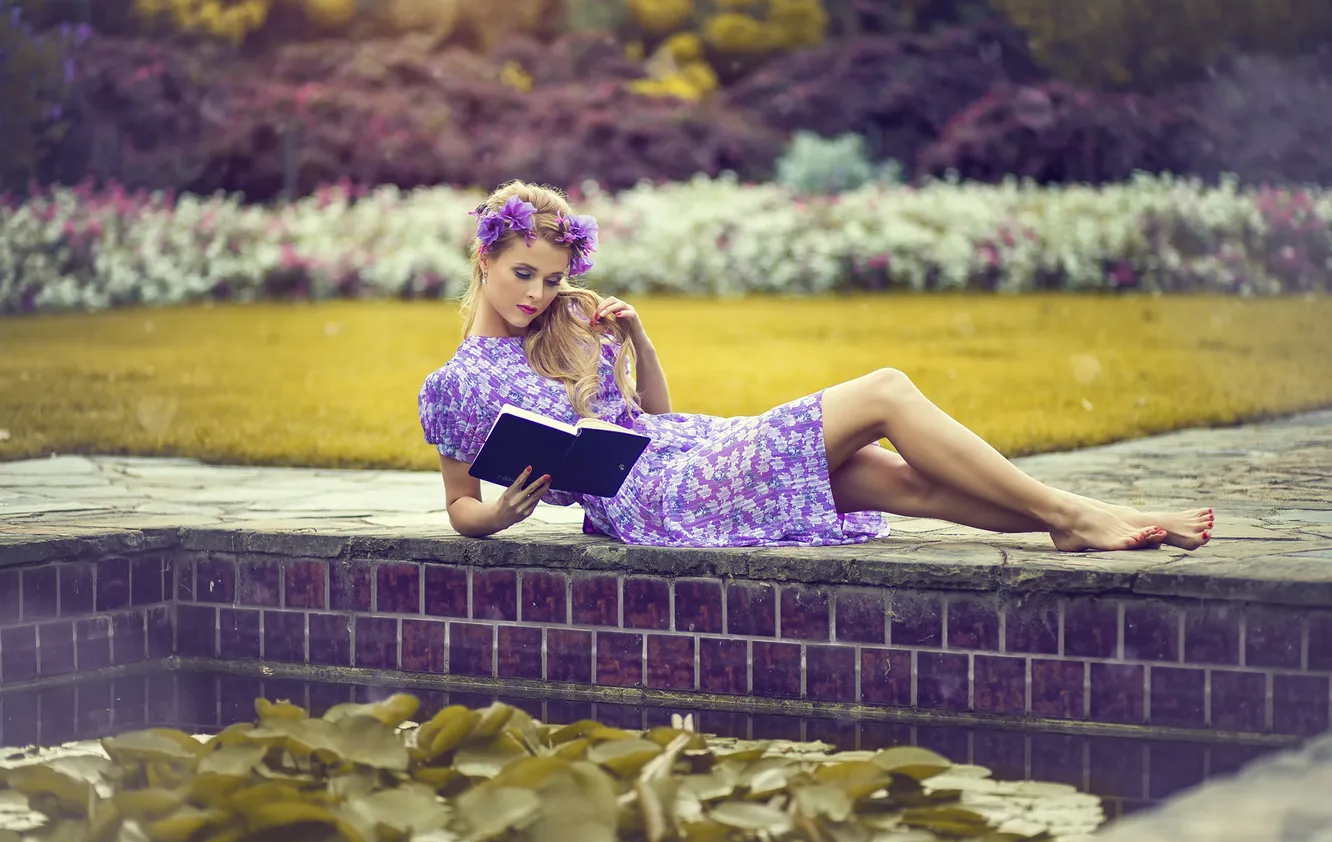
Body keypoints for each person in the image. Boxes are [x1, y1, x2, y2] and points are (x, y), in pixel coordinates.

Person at [417, 180, 1215, 552]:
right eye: (524, 275)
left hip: (689, 452)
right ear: (484, 259)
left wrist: (641, 343)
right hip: (654, 502)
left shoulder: (569, 323)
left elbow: (653, 416)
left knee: (907, 484)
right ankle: (1081, 518)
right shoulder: (454, 387)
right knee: (885, 392)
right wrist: (501, 515)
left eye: (553, 278)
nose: (539, 293)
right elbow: (459, 505)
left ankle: (1085, 519)